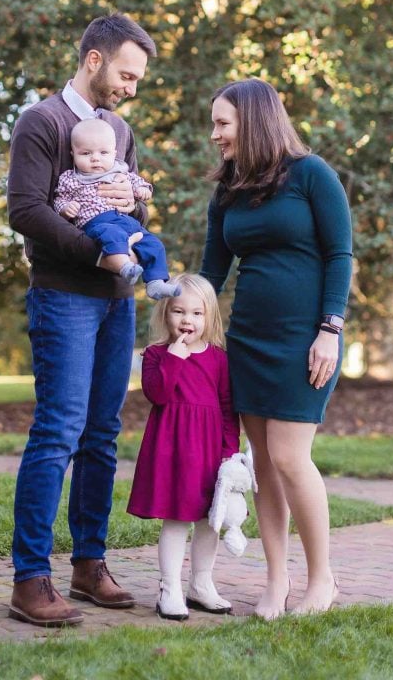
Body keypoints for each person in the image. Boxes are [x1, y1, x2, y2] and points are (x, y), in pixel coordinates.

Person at [6, 12, 156, 627]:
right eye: (126, 73)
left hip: (117, 301)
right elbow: (27, 211)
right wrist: (96, 249)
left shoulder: (119, 129)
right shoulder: (41, 122)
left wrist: (134, 208)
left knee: (101, 434)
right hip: (64, 295)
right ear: (94, 60)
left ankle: (89, 564)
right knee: (59, 431)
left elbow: (129, 202)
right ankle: (29, 578)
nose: (131, 87)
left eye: (138, 78)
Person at [200, 79, 352, 618]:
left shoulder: (311, 175)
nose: (215, 134)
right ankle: (276, 581)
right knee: (263, 462)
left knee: (290, 457)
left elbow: (340, 256)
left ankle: (322, 579)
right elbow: (211, 272)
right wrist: (181, 308)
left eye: (223, 123)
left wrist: (329, 330)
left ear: (254, 120)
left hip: (305, 340)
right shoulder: (229, 191)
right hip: (247, 340)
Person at [127, 273, 240, 621]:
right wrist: (175, 358)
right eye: (178, 312)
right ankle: (170, 588)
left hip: (208, 451)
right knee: (177, 520)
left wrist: (229, 453)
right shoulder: (157, 355)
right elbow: (157, 394)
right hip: (172, 448)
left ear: (209, 317)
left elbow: (226, 407)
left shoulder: (219, 358)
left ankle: (201, 584)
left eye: (196, 313)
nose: (187, 321)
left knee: (210, 520)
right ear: (165, 314)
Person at [54, 118, 181, 300]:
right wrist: (65, 208)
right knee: (112, 235)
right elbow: (60, 198)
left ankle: (156, 283)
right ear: (73, 154)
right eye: (86, 153)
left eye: (103, 152)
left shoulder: (120, 172)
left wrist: (142, 190)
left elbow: (139, 183)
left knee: (153, 243)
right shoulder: (71, 178)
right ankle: (125, 267)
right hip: (96, 222)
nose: (95, 158)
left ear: (114, 154)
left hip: (127, 222)